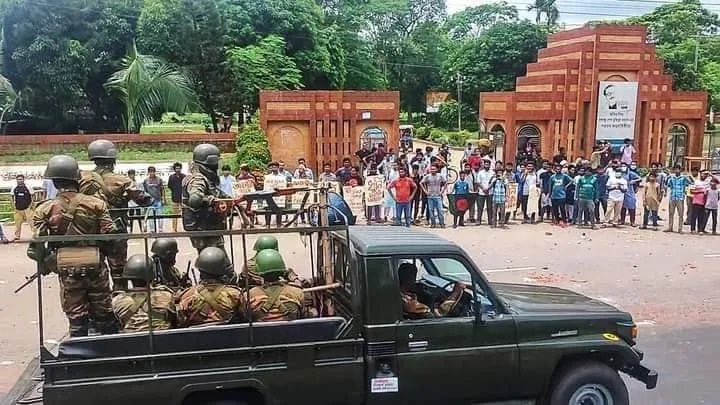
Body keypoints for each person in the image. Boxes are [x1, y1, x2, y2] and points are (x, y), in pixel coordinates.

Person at [28, 155, 119, 336]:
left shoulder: (44, 209)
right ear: (77, 179)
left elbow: (34, 248)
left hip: (66, 268)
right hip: (95, 264)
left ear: (54, 182)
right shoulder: (96, 204)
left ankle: (78, 356)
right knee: (105, 316)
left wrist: (47, 262)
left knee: (77, 319)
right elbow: (111, 235)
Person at [80, 139, 152, 289]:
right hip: (116, 232)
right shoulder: (122, 180)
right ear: (113, 159)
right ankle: (120, 300)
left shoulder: (82, 179)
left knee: (94, 271)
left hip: (91, 232)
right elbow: (143, 199)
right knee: (119, 272)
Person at [182, 144, 232, 259]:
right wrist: (211, 200)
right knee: (215, 262)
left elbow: (218, 193)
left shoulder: (206, 178)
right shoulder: (198, 179)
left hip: (209, 228)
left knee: (215, 261)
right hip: (203, 229)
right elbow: (194, 200)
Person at [176, 247, 244, 327]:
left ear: (200, 270)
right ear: (223, 270)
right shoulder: (235, 294)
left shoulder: (187, 296)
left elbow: (180, 321)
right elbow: (245, 318)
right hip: (231, 338)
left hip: (195, 338)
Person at [112, 254, 177, 333]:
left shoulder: (118, 300)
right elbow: (175, 320)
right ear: (151, 276)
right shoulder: (165, 296)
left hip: (130, 341)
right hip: (162, 341)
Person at [246, 249, 305, 322]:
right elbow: (302, 316)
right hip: (291, 332)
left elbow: (244, 317)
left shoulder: (249, 295)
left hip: (261, 333)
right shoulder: (297, 292)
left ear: (258, 270)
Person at [399, 262, 464, 319]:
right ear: (409, 280)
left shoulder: (403, 294)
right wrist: (455, 292)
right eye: (413, 278)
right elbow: (439, 316)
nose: (414, 281)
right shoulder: (408, 301)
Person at [665, 165, 692, 233]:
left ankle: (680, 229)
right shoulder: (671, 178)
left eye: (678, 169)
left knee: (680, 213)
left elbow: (691, 183)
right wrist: (667, 178)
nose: (677, 171)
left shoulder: (683, 178)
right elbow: (667, 185)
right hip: (672, 196)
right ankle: (670, 227)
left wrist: (688, 176)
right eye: (675, 169)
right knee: (671, 213)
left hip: (680, 197)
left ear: (680, 170)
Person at [420, 164, 446, 228]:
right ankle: (433, 223)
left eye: (434, 169)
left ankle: (442, 223)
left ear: (437, 170)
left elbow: (446, 182)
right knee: (431, 211)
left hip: (438, 196)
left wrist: (442, 191)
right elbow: (421, 183)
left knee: (440, 210)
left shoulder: (440, 176)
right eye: (431, 169)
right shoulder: (427, 176)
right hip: (430, 197)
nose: (432, 170)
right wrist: (425, 191)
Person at [143, 166, 166, 233]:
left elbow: (162, 189)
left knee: (160, 215)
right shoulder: (146, 181)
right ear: (148, 172)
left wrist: (164, 199)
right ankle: (152, 229)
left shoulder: (159, 179)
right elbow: (145, 191)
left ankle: (160, 229)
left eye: (153, 171)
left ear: (155, 172)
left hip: (158, 200)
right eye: (150, 172)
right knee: (150, 216)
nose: (152, 173)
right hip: (150, 201)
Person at [11, 174, 34, 241]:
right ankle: (17, 236)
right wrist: (13, 205)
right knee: (17, 224)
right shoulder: (14, 187)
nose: (20, 180)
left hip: (27, 208)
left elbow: (33, 195)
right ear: (16, 180)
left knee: (32, 222)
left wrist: (31, 205)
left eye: (21, 179)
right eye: (18, 179)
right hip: (18, 209)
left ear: (24, 179)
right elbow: (11, 196)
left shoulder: (28, 187)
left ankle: (34, 235)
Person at [475, 159, 495, 225]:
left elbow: (493, 182)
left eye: (488, 164)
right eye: (485, 164)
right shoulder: (480, 172)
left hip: (490, 192)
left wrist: (488, 189)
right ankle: (478, 220)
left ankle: (490, 220)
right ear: (484, 165)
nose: (486, 165)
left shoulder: (492, 173)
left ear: (490, 165)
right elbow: (478, 182)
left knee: (490, 207)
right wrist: (483, 189)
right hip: (481, 192)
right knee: (480, 207)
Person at [167, 162, 185, 233]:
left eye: (179, 168)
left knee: (185, 214)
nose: (178, 169)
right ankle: (174, 229)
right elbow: (169, 186)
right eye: (176, 168)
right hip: (174, 198)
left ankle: (185, 228)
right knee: (174, 215)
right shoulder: (171, 177)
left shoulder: (184, 176)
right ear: (174, 169)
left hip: (183, 199)